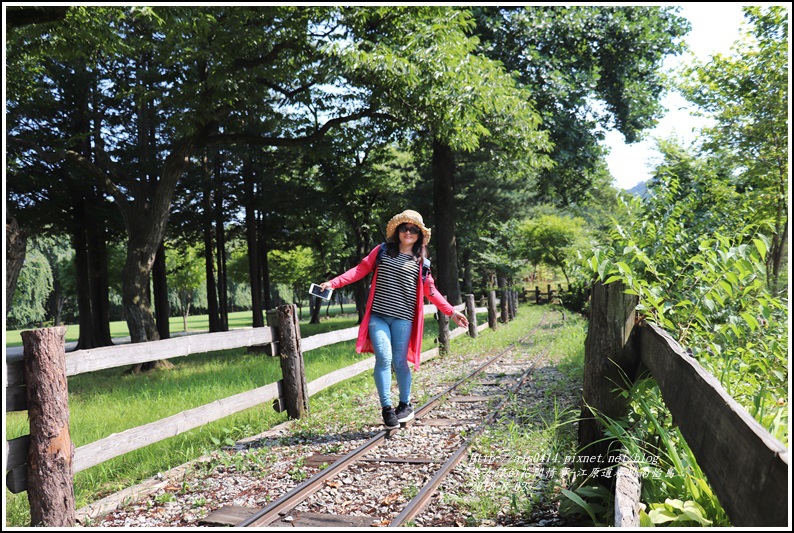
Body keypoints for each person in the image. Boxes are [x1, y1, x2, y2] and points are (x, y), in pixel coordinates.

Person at [319, 210, 469, 429]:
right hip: (378, 316)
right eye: (405, 228)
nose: (408, 233)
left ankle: (405, 405)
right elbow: (359, 270)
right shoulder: (381, 251)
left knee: (400, 362)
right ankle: (387, 408)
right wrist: (333, 283)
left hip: (403, 319)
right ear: (398, 231)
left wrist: (452, 312)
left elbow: (432, 292)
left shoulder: (422, 263)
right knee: (384, 357)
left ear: (419, 235)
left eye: (413, 230)